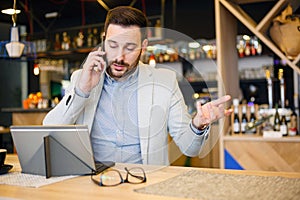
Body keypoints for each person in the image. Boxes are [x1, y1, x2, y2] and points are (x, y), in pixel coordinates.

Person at [43, 6, 232, 165]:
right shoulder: (81, 78)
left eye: (130, 48)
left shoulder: (164, 81)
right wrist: (82, 91)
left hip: (144, 184)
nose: (119, 57)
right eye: (113, 45)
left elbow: (189, 147)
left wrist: (198, 125)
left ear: (144, 45)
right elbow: (50, 131)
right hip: (92, 183)